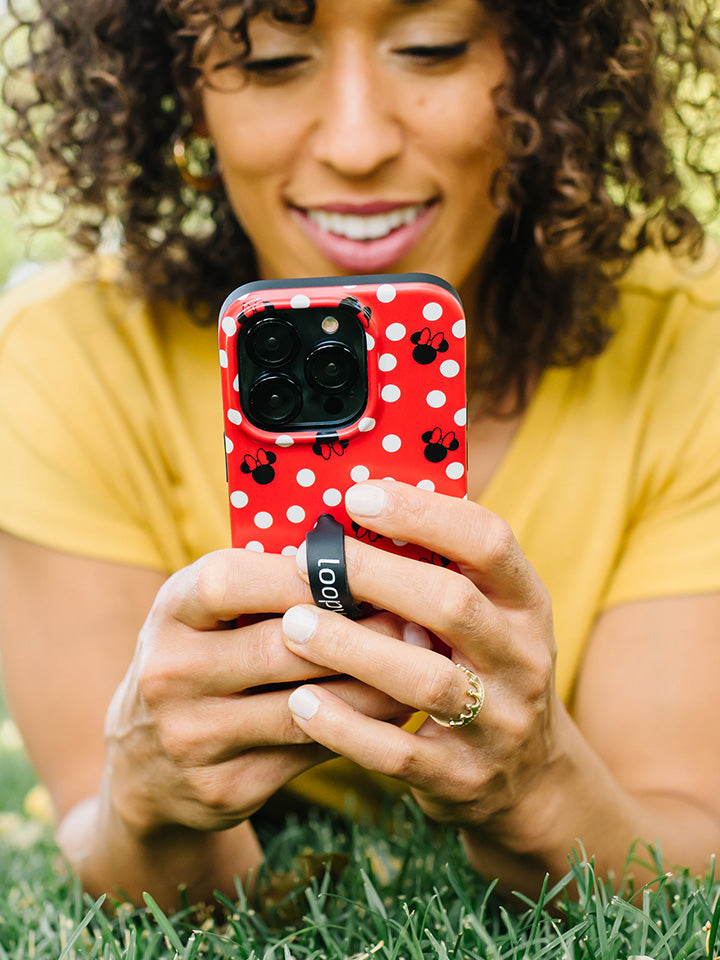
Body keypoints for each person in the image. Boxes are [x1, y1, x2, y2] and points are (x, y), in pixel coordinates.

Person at [1, 0, 720, 912]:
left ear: (550, 70)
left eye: (431, 50)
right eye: (268, 63)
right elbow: (104, 840)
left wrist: (534, 784)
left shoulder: (692, 350)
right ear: (182, 93)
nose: (355, 141)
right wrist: (149, 805)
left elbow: (686, 844)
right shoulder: (68, 359)